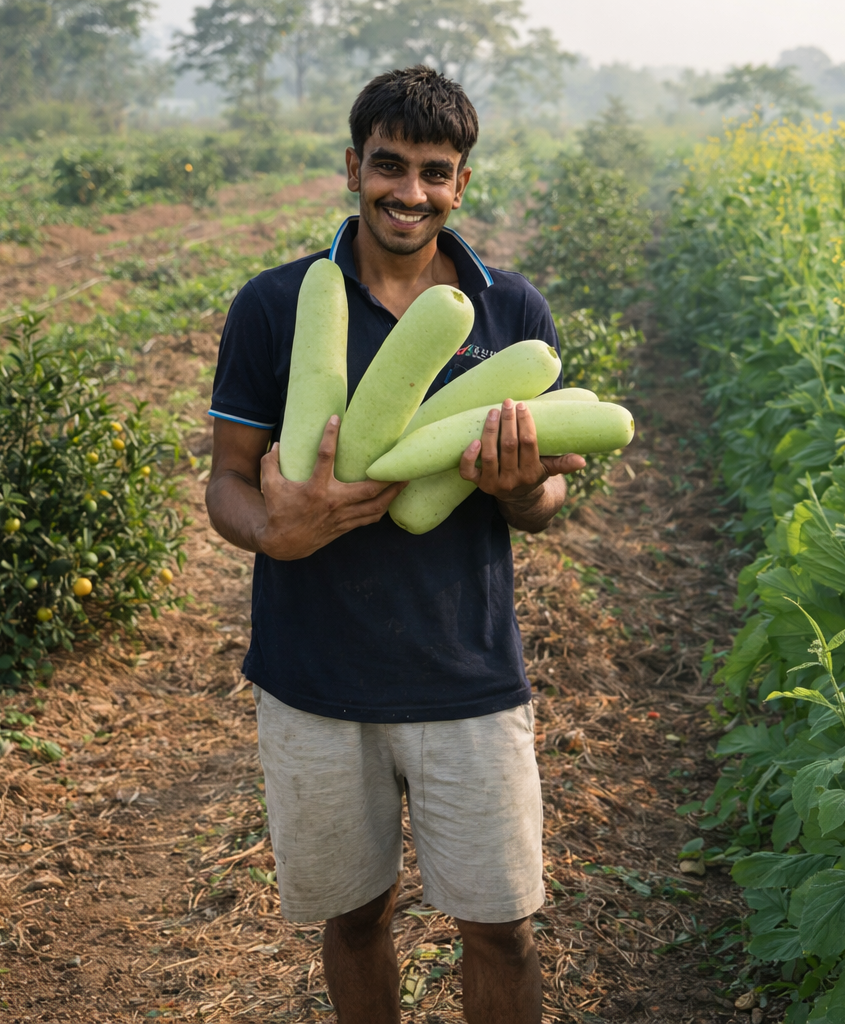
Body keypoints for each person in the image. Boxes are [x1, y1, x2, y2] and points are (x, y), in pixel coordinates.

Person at [203, 65, 580, 1024]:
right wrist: (277, 532)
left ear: (462, 184)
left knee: (502, 926)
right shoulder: (277, 305)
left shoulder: (511, 314)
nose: (409, 193)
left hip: (467, 671)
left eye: (434, 172)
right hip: (314, 674)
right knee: (356, 919)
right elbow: (226, 480)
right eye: (389, 166)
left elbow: (547, 502)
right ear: (353, 166)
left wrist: (525, 484)